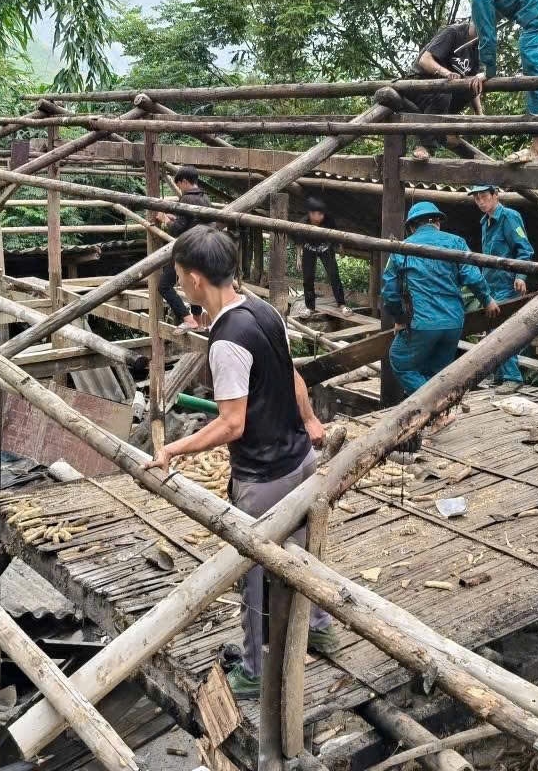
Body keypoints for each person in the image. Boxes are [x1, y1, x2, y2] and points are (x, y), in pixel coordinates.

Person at [145, 225, 338, 698]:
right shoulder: (265, 310)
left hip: (262, 478)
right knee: (305, 552)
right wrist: (311, 422)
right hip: (300, 460)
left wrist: (172, 449)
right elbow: (291, 373)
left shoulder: (226, 340)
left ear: (192, 280)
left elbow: (232, 424)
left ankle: (253, 670)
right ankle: (320, 626)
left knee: (252, 574)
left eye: (177, 275)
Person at [380, 202, 498, 395]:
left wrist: (400, 320)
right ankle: (436, 414)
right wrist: (487, 299)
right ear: (437, 222)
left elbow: (390, 293)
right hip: (453, 323)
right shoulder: (456, 242)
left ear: (411, 227)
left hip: (422, 324)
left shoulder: (402, 248)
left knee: (401, 361)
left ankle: (433, 407)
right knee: (437, 373)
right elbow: (473, 277)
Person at [470, 185, 535, 393]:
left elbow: (524, 249)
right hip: (491, 284)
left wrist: (521, 276)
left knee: (503, 331)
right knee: (492, 331)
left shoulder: (509, 217)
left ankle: (513, 377)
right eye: (477, 199)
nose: (480, 202)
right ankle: (500, 375)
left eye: (484, 197)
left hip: (507, 284)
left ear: (495, 195)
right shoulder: (483, 222)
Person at [403, 20, 485, 160]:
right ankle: (425, 145)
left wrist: (480, 113)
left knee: (466, 87)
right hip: (420, 86)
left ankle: (445, 131)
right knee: (444, 91)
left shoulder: (476, 47)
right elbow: (424, 60)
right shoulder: (453, 32)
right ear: (475, 18)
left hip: (444, 96)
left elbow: (473, 82)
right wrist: (445, 72)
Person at [156, 166, 212, 329]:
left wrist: (166, 220)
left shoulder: (187, 199)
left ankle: (188, 320)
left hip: (187, 250)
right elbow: (192, 221)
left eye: (179, 185)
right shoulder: (204, 197)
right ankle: (198, 321)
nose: (179, 188)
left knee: (164, 285)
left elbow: (178, 229)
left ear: (185, 181)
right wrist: (175, 218)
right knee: (195, 284)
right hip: (202, 247)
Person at [298, 196, 352, 316]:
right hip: (309, 248)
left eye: (322, 214)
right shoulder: (303, 222)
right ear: (311, 214)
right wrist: (298, 257)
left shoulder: (328, 220)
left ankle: (341, 304)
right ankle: (310, 307)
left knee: (333, 274)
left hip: (325, 247)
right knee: (308, 278)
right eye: (318, 214)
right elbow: (298, 239)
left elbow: (336, 234)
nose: (320, 217)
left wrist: (340, 247)